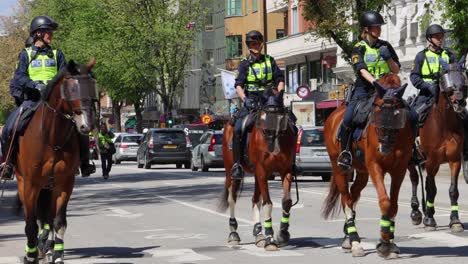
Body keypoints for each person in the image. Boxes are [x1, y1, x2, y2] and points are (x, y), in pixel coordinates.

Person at [0, 15, 95, 180]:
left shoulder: (57, 54)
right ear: (37, 33)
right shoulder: (26, 54)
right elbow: (20, 77)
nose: (51, 34)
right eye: (48, 31)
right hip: (33, 99)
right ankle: (8, 164)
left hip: (55, 100)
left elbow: (65, 74)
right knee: (9, 127)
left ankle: (84, 162)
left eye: (51, 32)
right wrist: (35, 84)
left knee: (80, 126)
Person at [337, 11, 401, 170]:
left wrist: (389, 59)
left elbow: (396, 69)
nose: (379, 29)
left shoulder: (386, 46)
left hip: (387, 91)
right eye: (375, 27)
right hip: (364, 90)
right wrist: (375, 82)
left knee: (410, 113)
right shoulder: (358, 48)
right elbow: (361, 70)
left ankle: (413, 151)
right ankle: (345, 153)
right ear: (367, 29)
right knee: (348, 118)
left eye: (379, 26)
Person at [230, 30, 286, 179]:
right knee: (238, 128)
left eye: (258, 43)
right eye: (253, 43)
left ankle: (290, 162)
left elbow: (280, 78)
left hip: (270, 100)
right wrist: (244, 99)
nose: (256, 46)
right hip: (252, 101)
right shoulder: (244, 64)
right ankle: (237, 164)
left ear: (262, 45)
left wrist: (279, 93)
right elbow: (239, 85)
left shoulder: (270, 60)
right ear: (249, 46)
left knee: (290, 122)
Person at [410, 24, 456, 127]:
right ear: (429, 38)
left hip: (448, 93)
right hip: (427, 93)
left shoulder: (449, 55)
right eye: (437, 37)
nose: (440, 39)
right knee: (413, 116)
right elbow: (414, 77)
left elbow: (456, 75)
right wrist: (426, 85)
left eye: (441, 36)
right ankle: (413, 141)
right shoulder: (421, 56)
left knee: (464, 116)